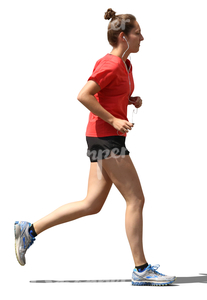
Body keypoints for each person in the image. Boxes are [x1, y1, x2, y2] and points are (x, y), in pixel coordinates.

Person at [14, 8, 176, 286]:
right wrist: (114, 118)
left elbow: (108, 94)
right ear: (123, 37)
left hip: (104, 138)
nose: (143, 38)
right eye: (138, 33)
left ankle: (30, 230)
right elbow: (84, 95)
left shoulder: (125, 65)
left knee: (91, 204)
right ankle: (141, 268)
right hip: (106, 139)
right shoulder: (110, 64)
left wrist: (129, 101)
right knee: (136, 199)